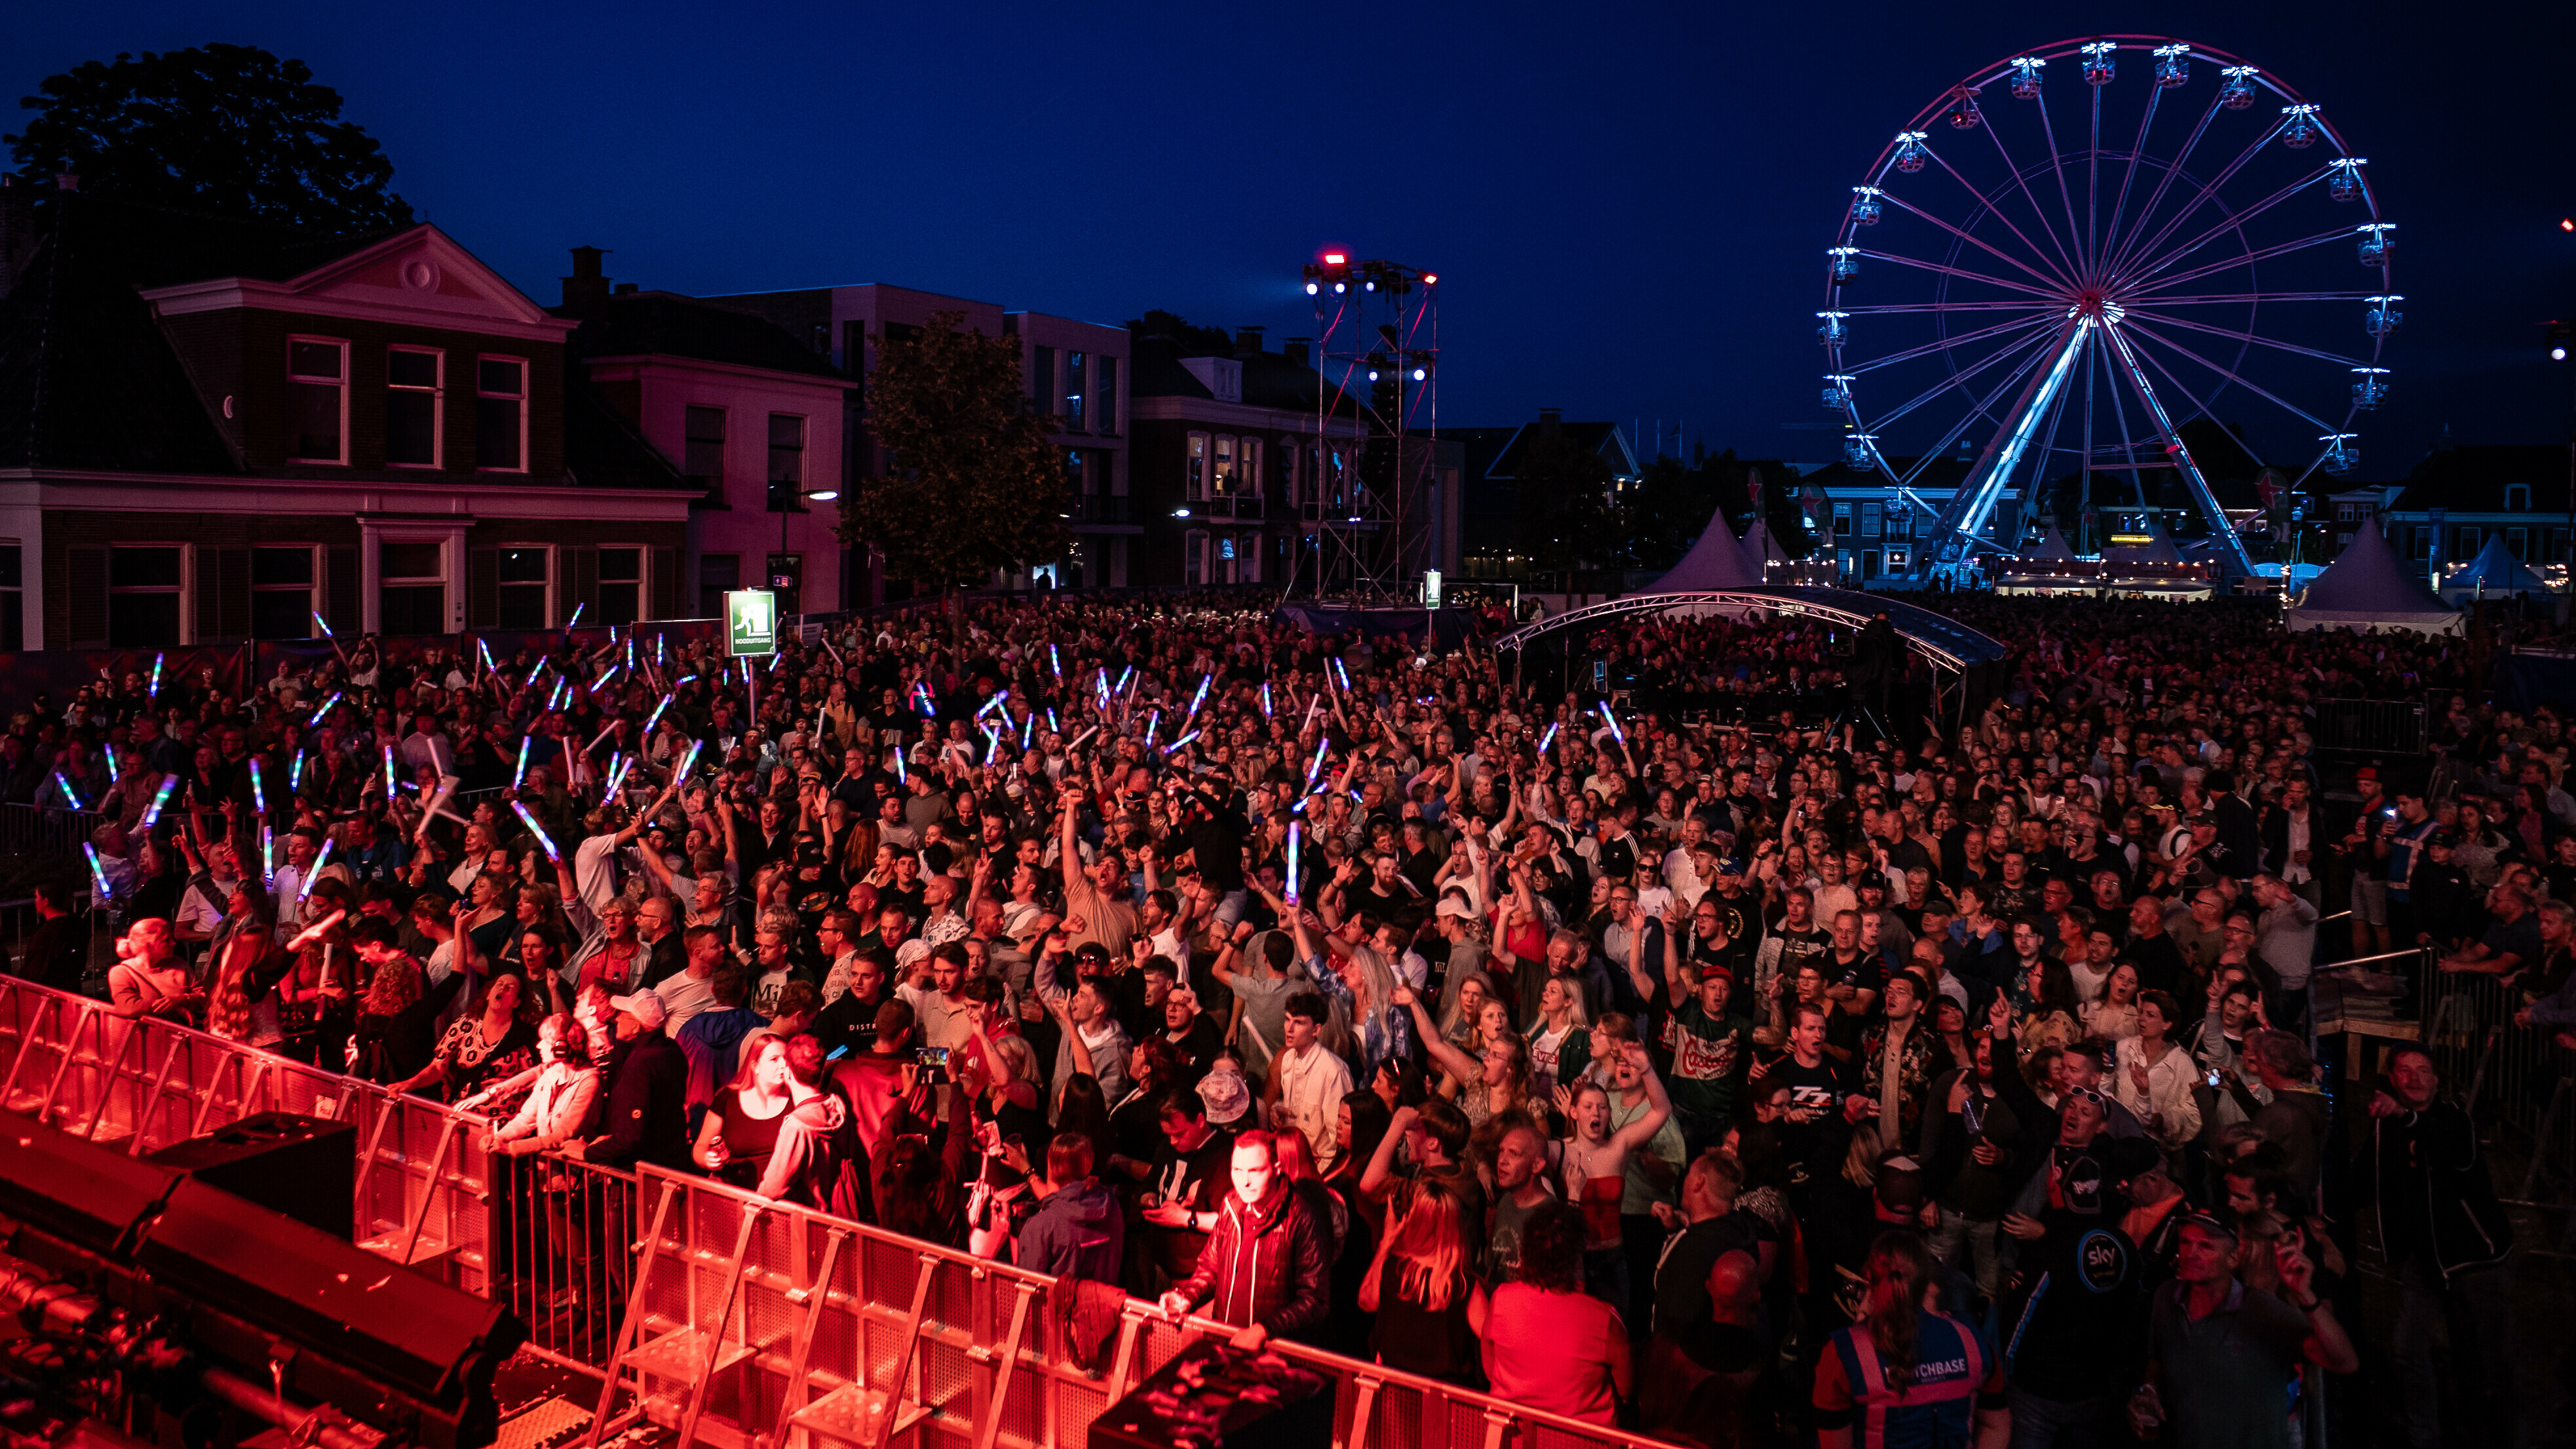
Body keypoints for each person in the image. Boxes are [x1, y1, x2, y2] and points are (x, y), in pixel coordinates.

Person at [2355, 1047, 2516, 1449]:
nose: (2415, 1078)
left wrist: (2404, 1116)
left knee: (2485, 1361)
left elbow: (2449, 1151)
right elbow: (2362, 1182)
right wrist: (2324, 1221)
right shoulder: (2384, 1129)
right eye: (2405, 1071)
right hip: (2425, 1262)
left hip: (2475, 1261)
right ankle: (2423, 1435)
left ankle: (2499, 1436)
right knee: (2407, 1348)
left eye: (2423, 1070)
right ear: (2393, 1079)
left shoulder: (2455, 1120)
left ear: (2437, 1080)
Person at [2140, 1214, 2356, 1449]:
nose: (2191, 1254)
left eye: (2205, 1246)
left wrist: (2305, 1295)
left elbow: (2345, 1362)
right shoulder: (2167, 1298)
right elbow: (2157, 1360)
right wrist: (2149, 1392)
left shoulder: (2261, 1309)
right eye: (2185, 1242)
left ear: (2233, 1258)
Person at [1814, 1232, 2010, 1449]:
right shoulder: (1973, 1342)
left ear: (1870, 1281)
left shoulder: (1843, 1353)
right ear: (1927, 1284)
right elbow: (1996, 1426)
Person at [1157, 1129, 1330, 1350]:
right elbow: (1210, 1267)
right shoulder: (1230, 1205)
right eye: (1237, 1170)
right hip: (1225, 1341)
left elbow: (1315, 1300)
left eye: (1255, 1171)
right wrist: (1187, 1296)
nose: (1244, 1182)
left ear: (1277, 1168)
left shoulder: (1301, 1216)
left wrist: (1263, 1329)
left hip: (1274, 1353)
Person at [1482, 1200, 1630, 1426]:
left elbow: (1490, 1369)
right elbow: (1626, 1389)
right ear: (1577, 1256)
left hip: (1513, 1436)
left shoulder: (1501, 1299)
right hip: (1583, 1440)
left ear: (1527, 1249)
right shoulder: (1605, 1319)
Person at [1357, 1172, 1487, 1383]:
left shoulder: (1392, 1269)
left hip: (1393, 1392)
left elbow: (1366, 1302)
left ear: (1415, 1219)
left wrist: (1386, 1241)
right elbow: (1494, 1341)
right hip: (1445, 1396)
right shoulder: (1466, 1286)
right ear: (1455, 1227)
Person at [568, 990, 689, 1170]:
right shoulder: (671, 1048)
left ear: (636, 1027)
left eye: (622, 1014)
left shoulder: (640, 1064)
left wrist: (587, 1153)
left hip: (642, 1168)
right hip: (670, 1160)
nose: (616, 1019)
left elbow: (631, 1136)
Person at [476, 1013, 602, 1155]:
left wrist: (513, 1148)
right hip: (548, 1165)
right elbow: (526, 1119)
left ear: (562, 1048)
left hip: (572, 1167)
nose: (539, 1045)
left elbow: (564, 1134)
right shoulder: (549, 1075)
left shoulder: (590, 1081)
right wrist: (498, 1138)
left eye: (546, 1042)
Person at [1016, 1132, 1124, 1282]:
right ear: (1088, 1163)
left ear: (1053, 1167)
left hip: (1058, 1298)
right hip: (1103, 1296)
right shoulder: (1112, 1206)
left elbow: (1027, 1285)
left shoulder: (1042, 1226)